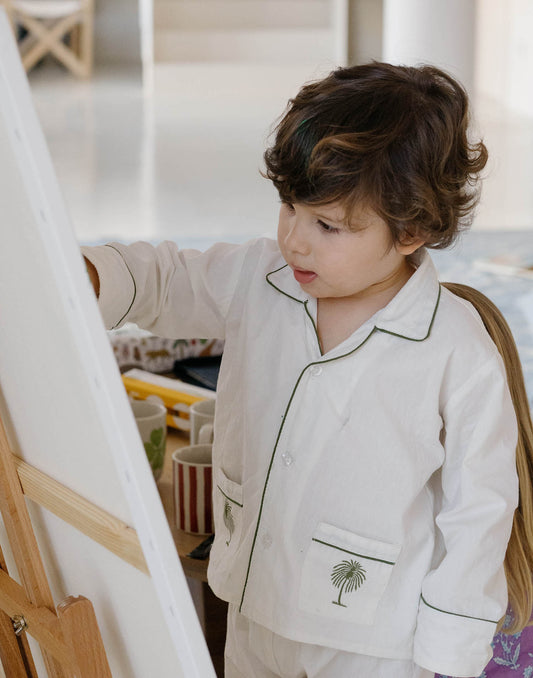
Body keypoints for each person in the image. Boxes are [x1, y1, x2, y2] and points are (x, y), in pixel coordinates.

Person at [82, 62, 532, 678]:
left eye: (327, 226)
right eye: (289, 208)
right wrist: (89, 277)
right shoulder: (259, 279)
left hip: (375, 645)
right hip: (253, 605)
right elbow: (165, 280)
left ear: (414, 230)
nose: (294, 240)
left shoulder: (457, 351)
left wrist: (447, 659)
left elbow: (478, 514)